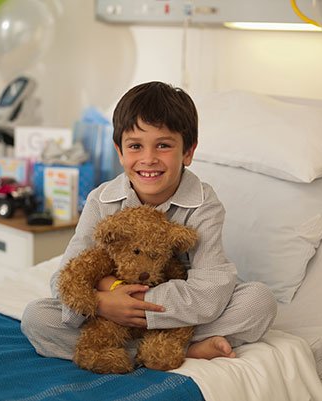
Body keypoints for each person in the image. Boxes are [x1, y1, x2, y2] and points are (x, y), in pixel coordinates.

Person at [21, 81, 277, 363]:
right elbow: (66, 278)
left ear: (188, 152)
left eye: (164, 145)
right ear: (120, 152)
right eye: (135, 146)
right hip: (110, 317)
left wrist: (137, 305)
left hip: (177, 318)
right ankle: (174, 351)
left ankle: (164, 346)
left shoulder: (204, 205)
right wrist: (105, 301)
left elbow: (211, 289)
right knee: (37, 318)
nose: (148, 159)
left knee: (258, 302)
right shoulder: (101, 200)